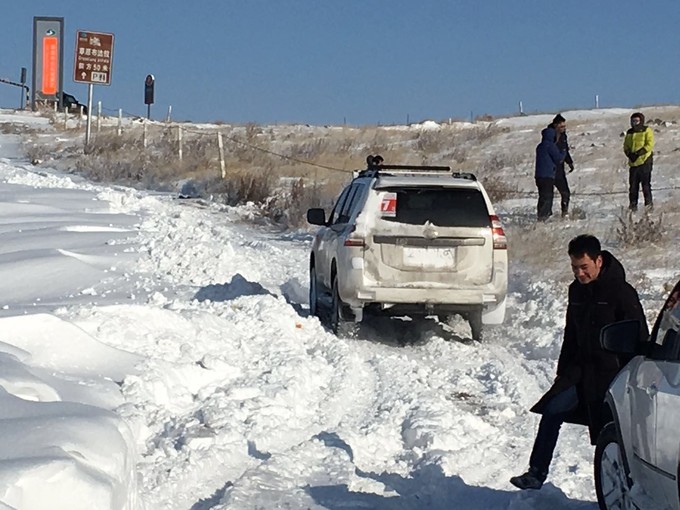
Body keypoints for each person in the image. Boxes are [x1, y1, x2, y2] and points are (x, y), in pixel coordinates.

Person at [510, 234, 648, 490]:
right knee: (552, 410)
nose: (579, 274)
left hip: (612, 374)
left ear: (598, 260)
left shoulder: (621, 291)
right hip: (580, 370)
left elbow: (639, 335)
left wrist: (635, 374)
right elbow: (571, 333)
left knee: (612, 433)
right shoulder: (576, 290)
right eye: (575, 268)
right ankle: (536, 473)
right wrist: (563, 371)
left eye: (584, 267)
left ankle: (626, 485)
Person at [623, 112, 655, 211]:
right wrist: (629, 154)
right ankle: (633, 206)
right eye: (633, 121)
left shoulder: (647, 130)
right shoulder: (629, 133)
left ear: (641, 121)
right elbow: (625, 146)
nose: (634, 123)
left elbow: (650, 144)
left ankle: (648, 206)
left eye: (636, 121)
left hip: (645, 161)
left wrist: (639, 153)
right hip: (633, 163)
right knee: (633, 187)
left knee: (645, 185)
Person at [534, 127, 565, 221]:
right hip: (548, 176)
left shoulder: (540, 146)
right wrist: (564, 151)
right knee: (548, 196)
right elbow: (558, 158)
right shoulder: (550, 146)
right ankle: (544, 216)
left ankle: (540, 215)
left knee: (542, 196)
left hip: (539, 176)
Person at [550, 114, 575, 217]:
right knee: (547, 195)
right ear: (555, 125)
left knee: (565, 192)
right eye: (561, 127)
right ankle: (545, 215)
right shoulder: (550, 136)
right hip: (550, 169)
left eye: (564, 126)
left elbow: (565, 150)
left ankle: (564, 212)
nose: (563, 128)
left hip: (560, 169)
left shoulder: (563, 136)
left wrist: (569, 162)